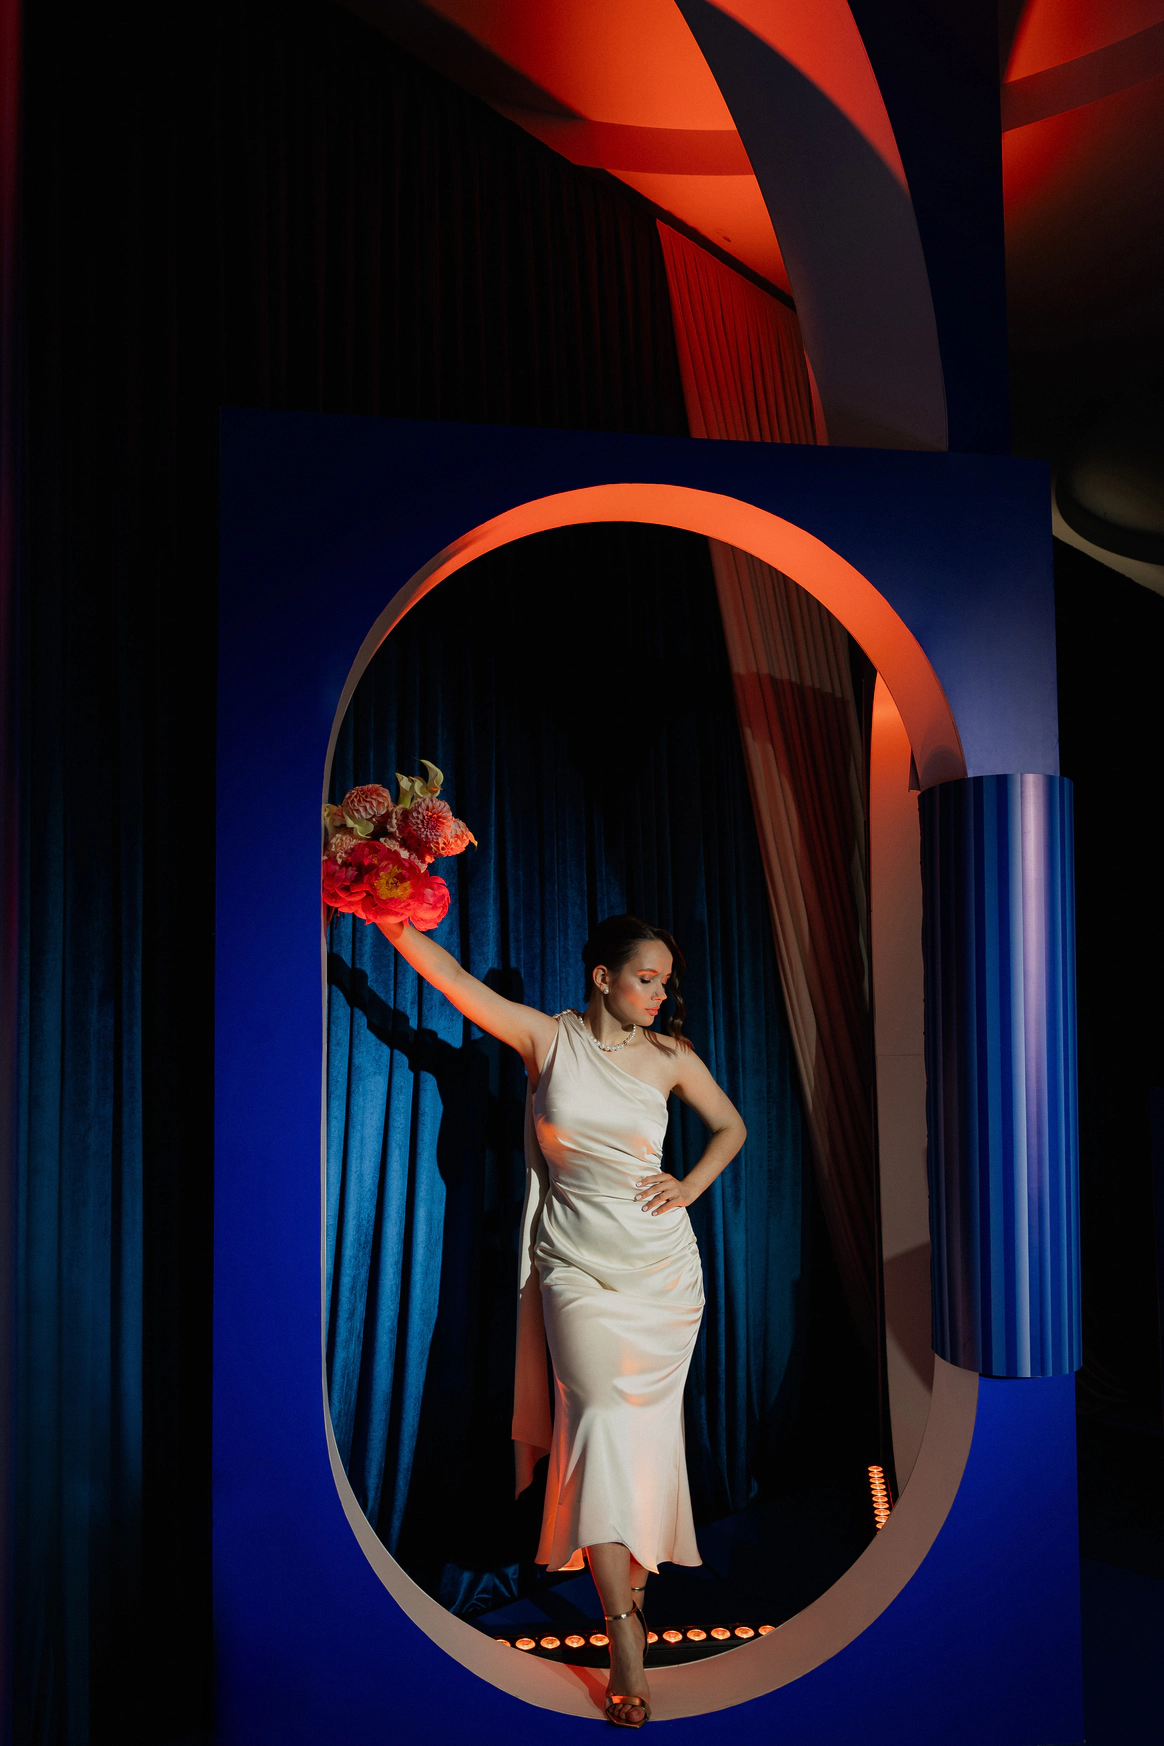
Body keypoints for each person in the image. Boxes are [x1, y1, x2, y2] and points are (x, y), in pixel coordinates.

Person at [377, 911, 746, 1728]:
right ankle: (623, 1631)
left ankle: (630, 1607)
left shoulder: (672, 1057)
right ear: (602, 977)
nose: (659, 994)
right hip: (575, 1268)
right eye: (646, 978)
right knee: (602, 1420)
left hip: (662, 1275)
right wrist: (384, 907)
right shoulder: (547, 1039)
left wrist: (689, 1186)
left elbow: (732, 1127)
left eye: (665, 982)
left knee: (644, 1444)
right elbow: (453, 984)